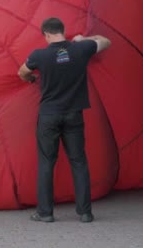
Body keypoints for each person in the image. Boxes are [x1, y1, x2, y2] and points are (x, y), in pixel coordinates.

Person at [17, 17, 111, 223]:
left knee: (46, 163)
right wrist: (82, 38)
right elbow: (105, 41)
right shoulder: (81, 49)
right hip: (74, 114)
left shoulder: (39, 55)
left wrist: (31, 78)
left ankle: (45, 212)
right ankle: (85, 212)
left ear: (46, 34)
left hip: (49, 115)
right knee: (78, 161)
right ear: (63, 30)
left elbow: (22, 72)